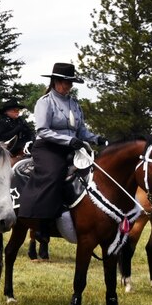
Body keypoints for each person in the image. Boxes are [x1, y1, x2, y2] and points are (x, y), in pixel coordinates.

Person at [16, 63, 104, 251]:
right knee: (54, 174)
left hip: (72, 148)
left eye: (71, 83)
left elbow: (81, 131)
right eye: (66, 82)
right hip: (48, 147)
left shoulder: (74, 104)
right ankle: (43, 223)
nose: (68, 86)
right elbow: (43, 130)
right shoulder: (45, 102)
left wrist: (98, 139)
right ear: (56, 81)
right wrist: (68, 141)